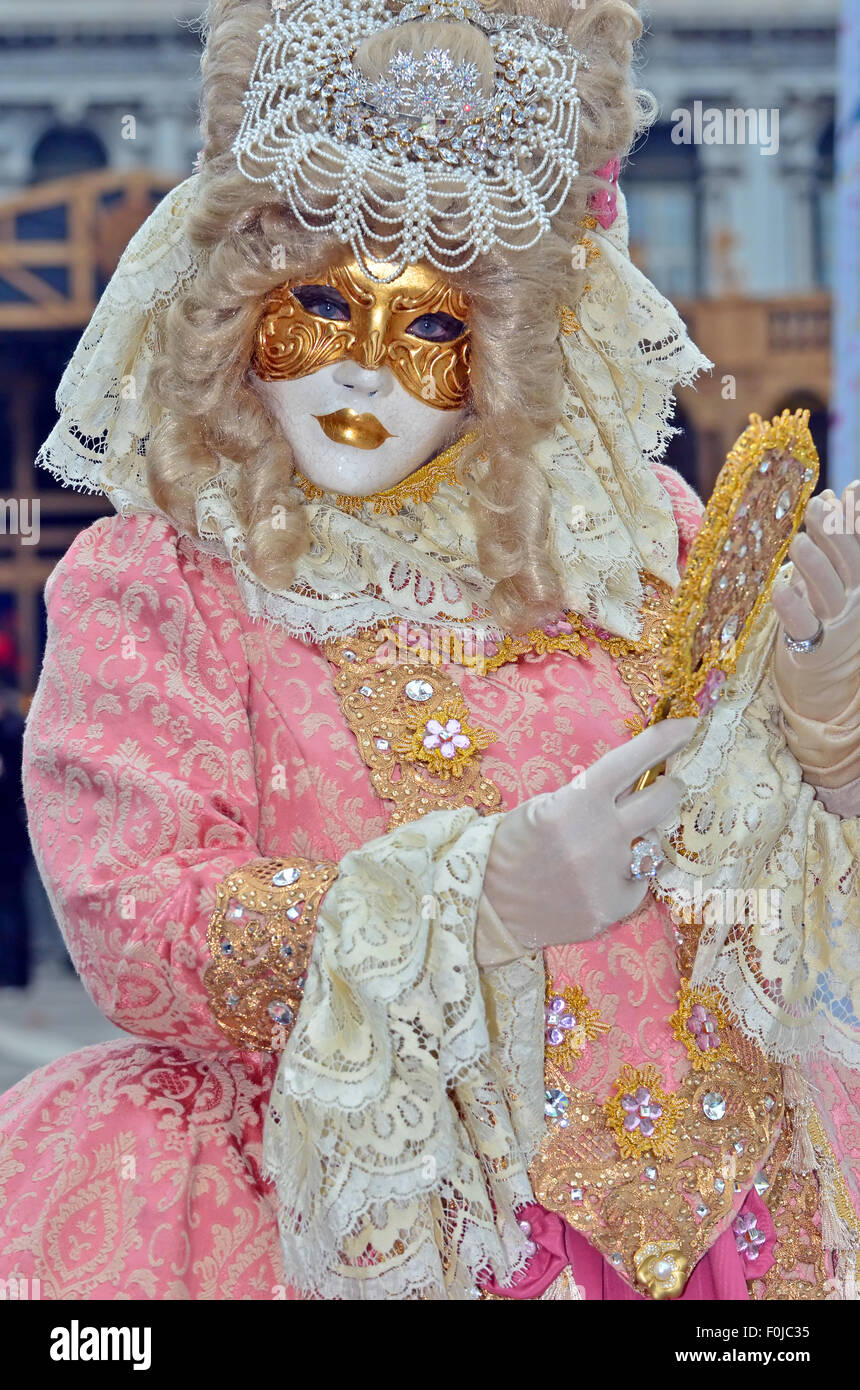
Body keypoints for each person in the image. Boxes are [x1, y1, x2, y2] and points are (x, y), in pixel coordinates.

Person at [0, 0, 858, 1301]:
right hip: (360, 1205)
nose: (360, 375)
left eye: (432, 326)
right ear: (240, 300)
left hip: (708, 1213)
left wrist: (817, 752)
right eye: (319, 307)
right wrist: (472, 896)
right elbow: (134, 916)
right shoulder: (170, 573)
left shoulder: (635, 536)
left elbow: (737, 904)